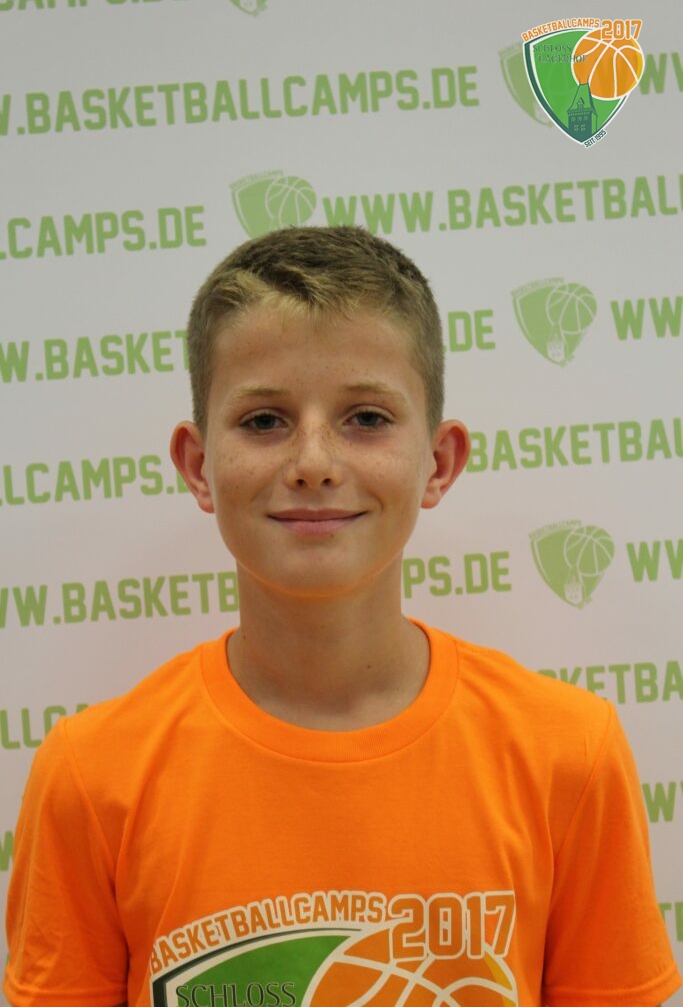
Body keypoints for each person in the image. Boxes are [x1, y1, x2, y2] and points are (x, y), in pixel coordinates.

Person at [4, 226, 681, 1007]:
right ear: (198, 466)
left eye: (365, 417)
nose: (314, 463)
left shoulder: (567, 753)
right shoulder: (92, 776)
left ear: (438, 462)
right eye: (264, 421)